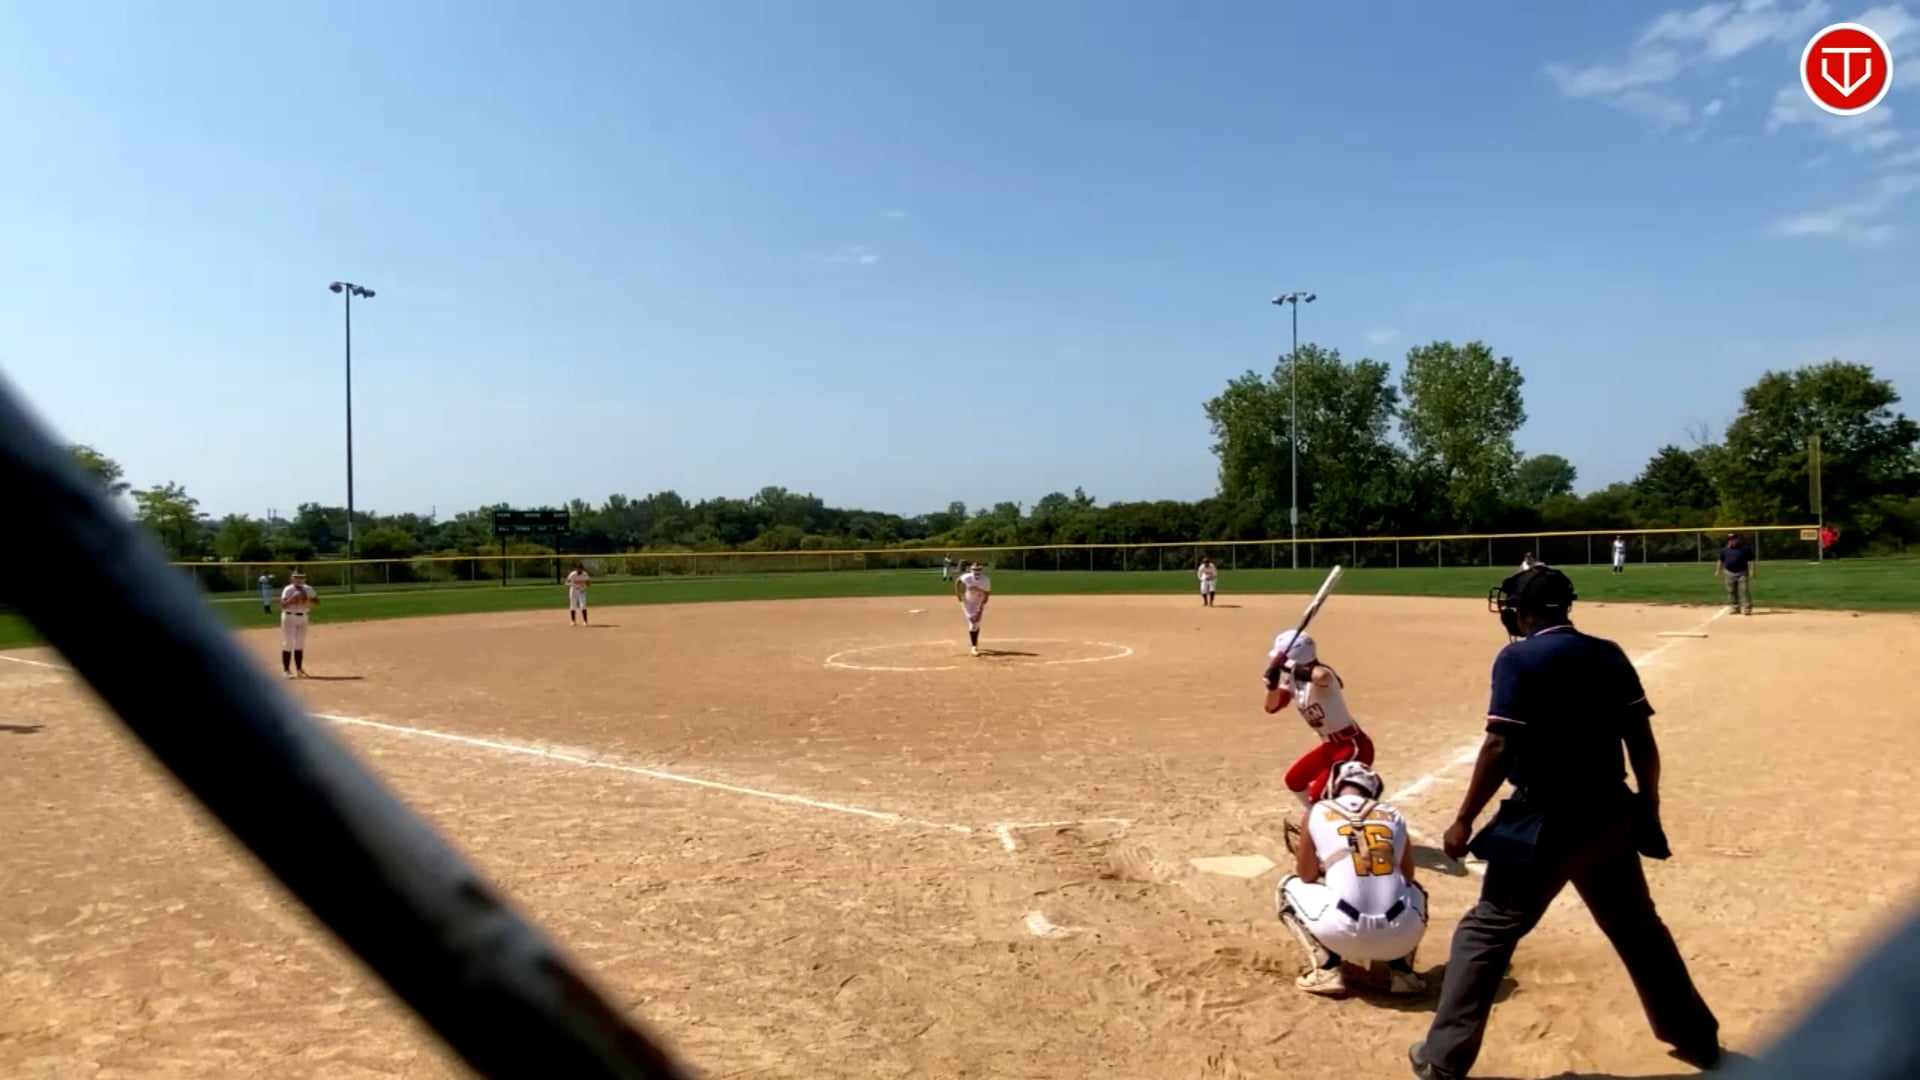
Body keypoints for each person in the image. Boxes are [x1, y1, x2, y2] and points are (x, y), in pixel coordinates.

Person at [1408, 565, 1721, 1079]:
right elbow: (1641, 741)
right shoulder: (1608, 653)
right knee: (1638, 928)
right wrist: (1647, 806)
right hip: (1610, 812)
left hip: (1545, 820)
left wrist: (1463, 819)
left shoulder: (1518, 658)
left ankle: (1442, 1059)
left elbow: (1500, 744)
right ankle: (1697, 1039)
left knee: (1485, 931)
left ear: (1525, 611)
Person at [1276, 760, 1428, 998]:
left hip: (1340, 931)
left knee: (1286, 887)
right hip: (1400, 936)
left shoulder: (1317, 811)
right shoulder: (1394, 814)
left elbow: (1306, 875)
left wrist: (1327, 865)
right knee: (1414, 890)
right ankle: (1403, 974)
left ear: (1335, 785)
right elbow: (1408, 877)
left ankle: (1326, 970)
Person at [1264, 629, 1374, 819]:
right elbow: (1271, 707)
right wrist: (1271, 686)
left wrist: (1291, 665)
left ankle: (1337, 823)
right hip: (1330, 746)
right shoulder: (1293, 680)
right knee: (1295, 780)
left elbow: (1322, 677)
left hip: (1353, 746)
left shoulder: (1323, 675)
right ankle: (1317, 820)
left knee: (1319, 795)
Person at [278, 570, 318, 678]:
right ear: (292, 579)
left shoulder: (308, 589)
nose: (299, 580)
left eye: (301, 577)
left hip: (303, 616)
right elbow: (282, 605)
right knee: (288, 642)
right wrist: (292, 599)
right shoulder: (288, 589)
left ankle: (299, 669)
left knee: (300, 643)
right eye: (296, 577)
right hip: (289, 616)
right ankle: (286, 670)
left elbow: (317, 602)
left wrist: (307, 599)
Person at [955, 561, 991, 656]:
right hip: (968, 603)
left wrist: (982, 604)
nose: (976, 571)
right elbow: (958, 580)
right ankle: (974, 646)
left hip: (978, 603)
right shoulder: (967, 577)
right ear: (971, 570)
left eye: (978, 569)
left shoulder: (985, 580)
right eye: (975, 569)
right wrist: (958, 594)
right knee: (972, 622)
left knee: (977, 624)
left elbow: (987, 593)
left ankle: (975, 643)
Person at [1716, 532, 1754, 615]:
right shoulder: (1724, 549)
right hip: (1729, 573)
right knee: (1731, 591)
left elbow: (1750, 560)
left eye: (1733, 539)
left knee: (1744, 590)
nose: (1731, 541)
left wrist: (1751, 570)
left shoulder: (1744, 548)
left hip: (1742, 572)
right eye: (1729, 539)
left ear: (1737, 540)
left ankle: (1747, 608)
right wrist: (1717, 570)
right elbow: (1720, 560)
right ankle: (1734, 607)